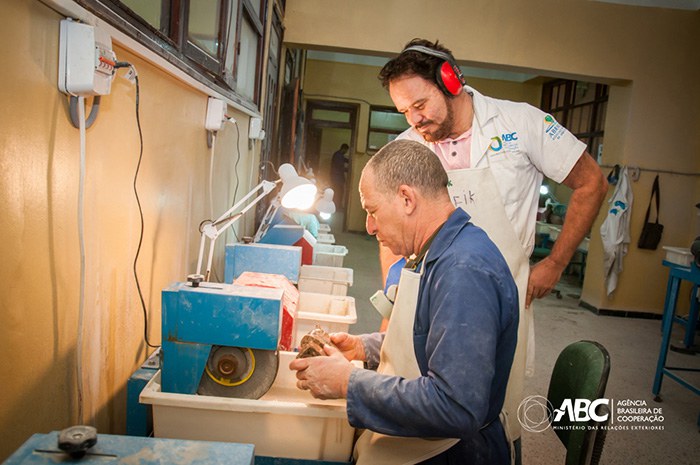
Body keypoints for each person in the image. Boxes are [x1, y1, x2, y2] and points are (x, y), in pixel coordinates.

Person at [377, 38, 608, 455]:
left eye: (420, 104)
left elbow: (592, 181)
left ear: (450, 80)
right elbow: (389, 229)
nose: (415, 119)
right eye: (404, 111)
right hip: (430, 294)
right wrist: (395, 296)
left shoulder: (520, 123)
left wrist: (555, 263)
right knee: (427, 412)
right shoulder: (407, 146)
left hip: (502, 294)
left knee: (495, 411)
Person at [290, 140, 519, 465]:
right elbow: (431, 336)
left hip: (456, 453)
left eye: (372, 211)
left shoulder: (462, 271)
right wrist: (363, 348)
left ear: (407, 199)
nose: (369, 227)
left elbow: (455, 407)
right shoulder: (437, 250)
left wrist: (347, 381)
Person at [330, 143, 349, 207]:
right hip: (337, 178)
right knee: (339, 192)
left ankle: (337, 205)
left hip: (336, 178)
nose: (346, 152)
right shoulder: (339, 156)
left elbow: (344, 160)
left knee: (338, 192)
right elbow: (340, 167)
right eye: (346, 150)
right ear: (344, 149)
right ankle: (337, 205)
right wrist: (348, 170)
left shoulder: (338, 154)